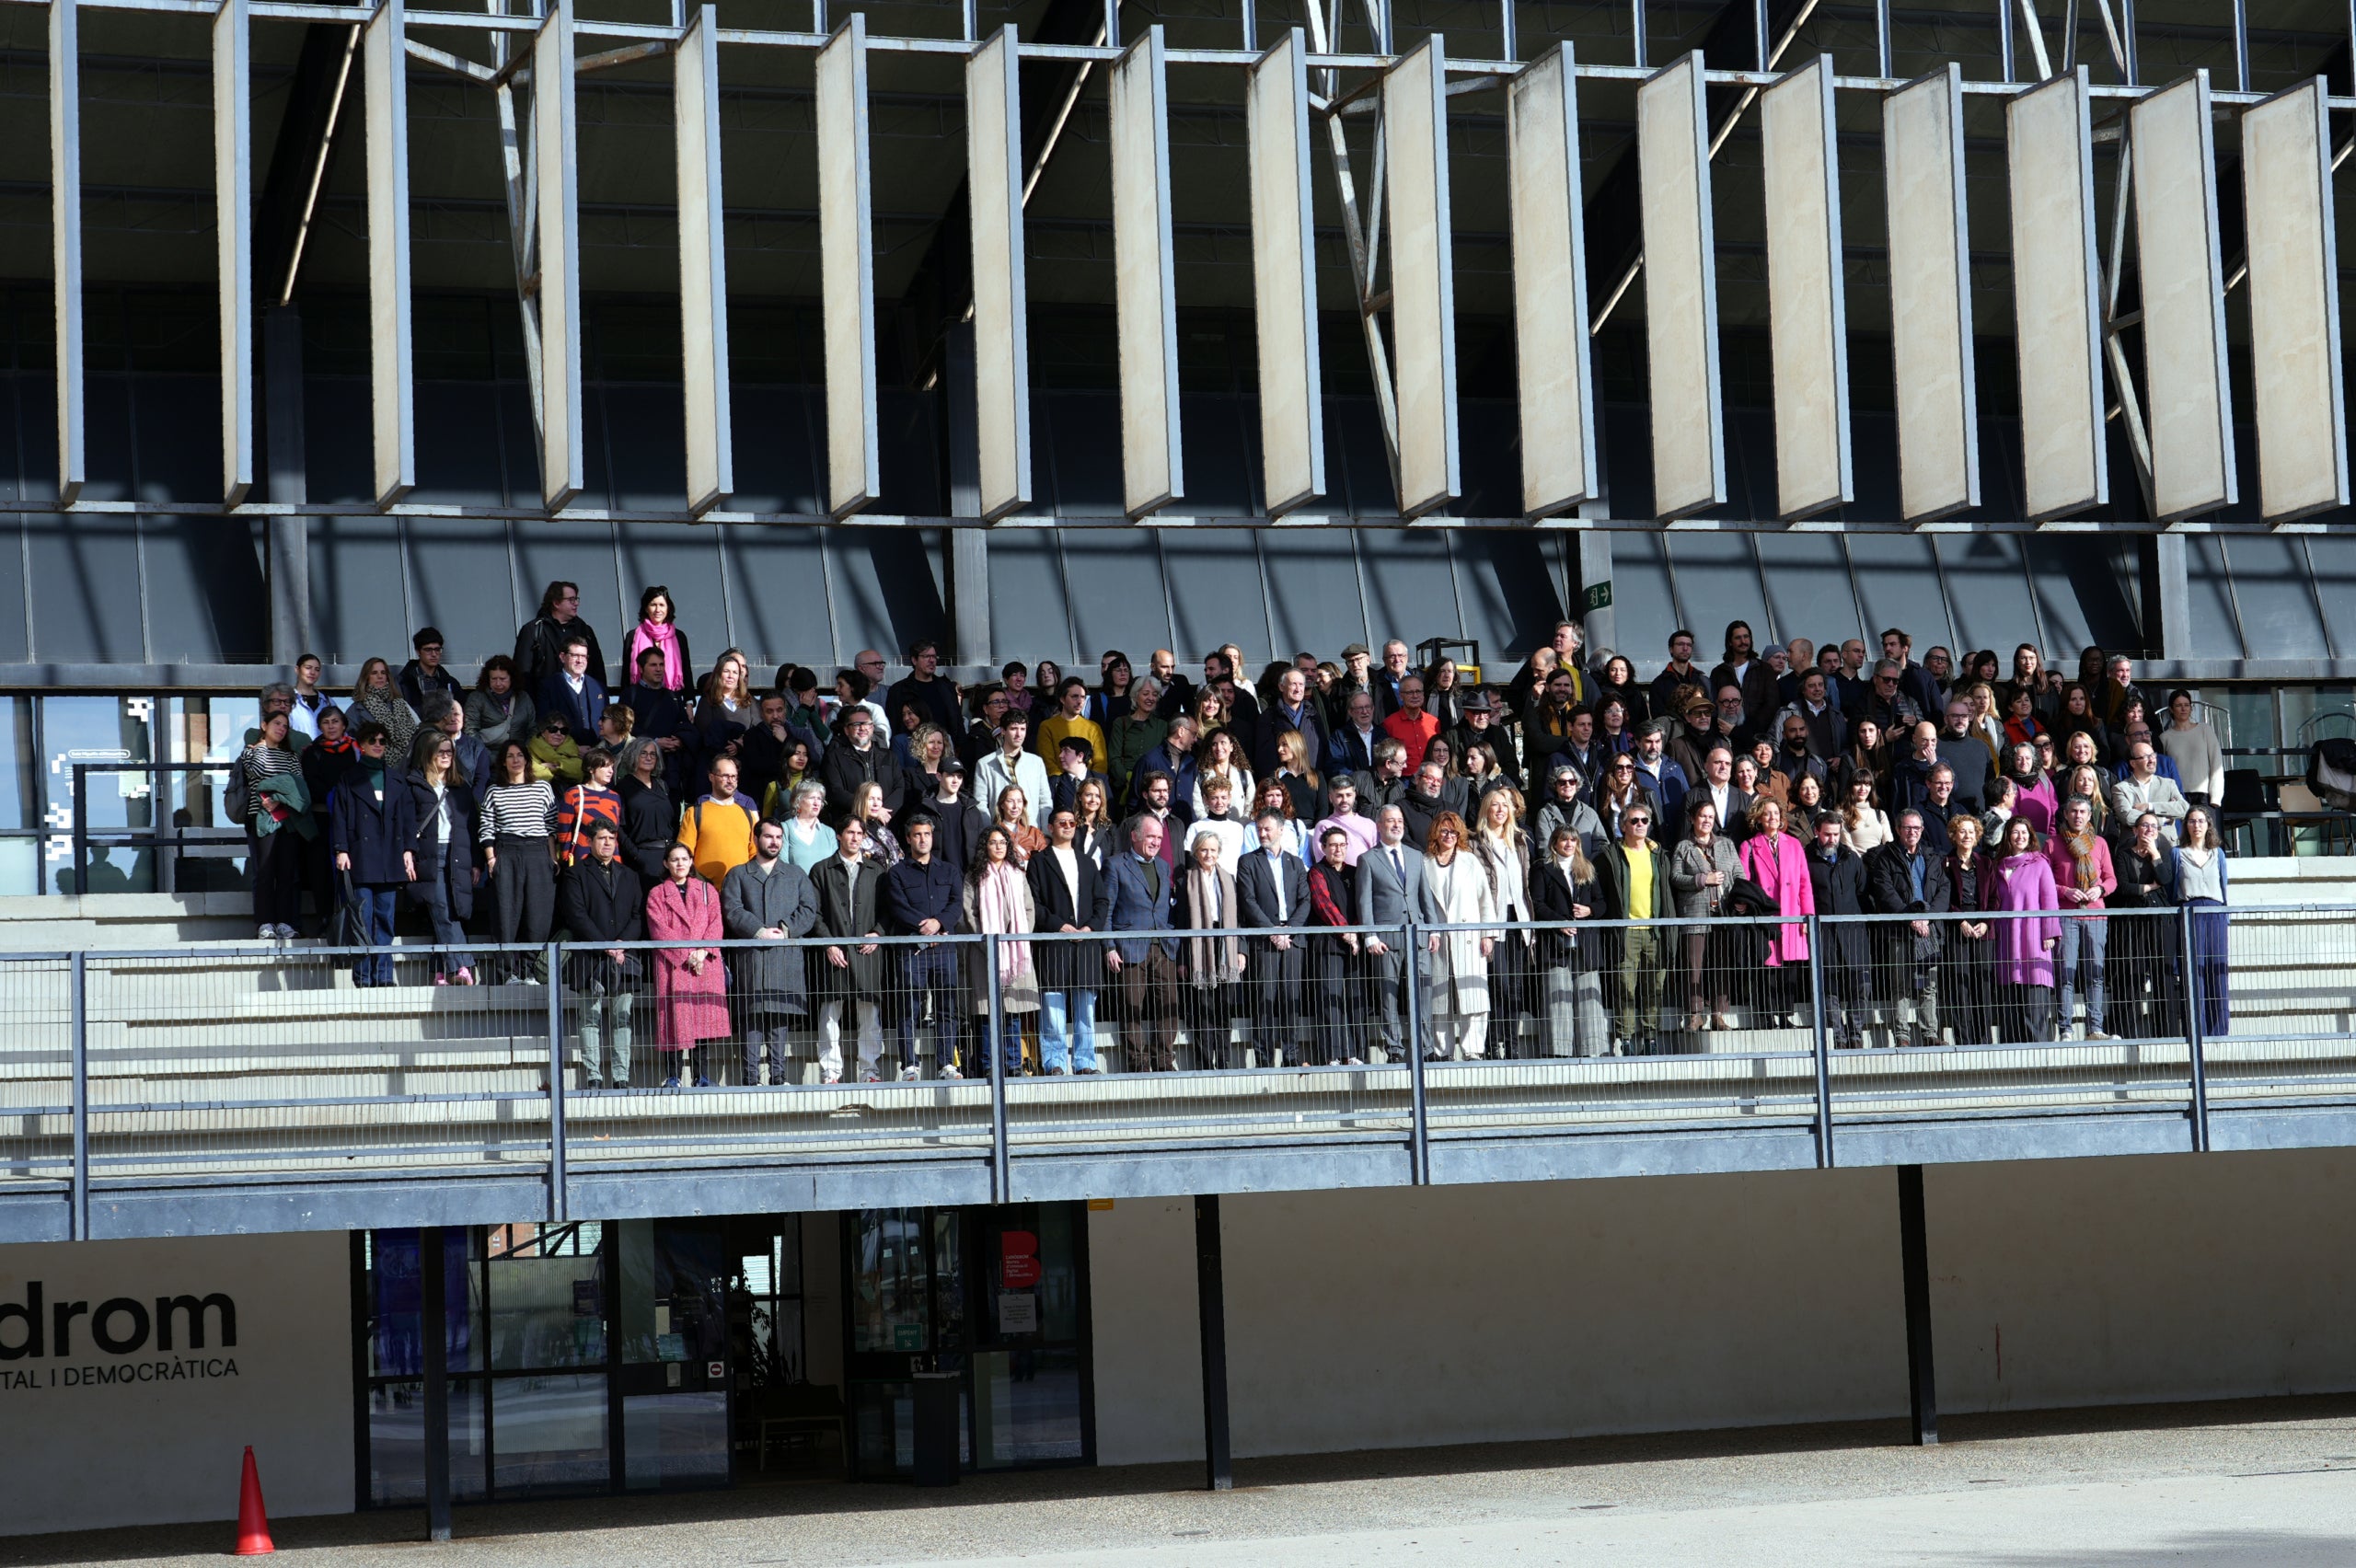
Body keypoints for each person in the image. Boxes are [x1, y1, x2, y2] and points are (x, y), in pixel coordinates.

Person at [719, 816, 820, 1088]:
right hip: (750, 955)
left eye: (778, 837)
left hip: (783, 955)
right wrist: (758, 930)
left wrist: (786, 929)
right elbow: (732, 910)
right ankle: (750, 1079)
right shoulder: (738, 874)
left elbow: (809, 909)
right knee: (751, 1019)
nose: (774, 842)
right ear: (755, 839)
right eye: (768, 836)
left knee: (778, 1018)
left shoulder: (796, 874)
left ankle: (779, 1078)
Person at [558, 821, 646, 1090]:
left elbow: (636, 916)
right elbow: (576, 915)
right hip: (590, 957)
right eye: (601, 838)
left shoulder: (629, 875)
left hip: (622, 958)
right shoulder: (575, 874)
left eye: (611, 838)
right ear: (590, 841)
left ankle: (621, 1077)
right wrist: (605, 944)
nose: (607, 843)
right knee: (590, 1018)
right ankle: (593, 1076)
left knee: (622, 1018)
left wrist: (621, 944)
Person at [884, 812, 966, 1080]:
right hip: (912, 949)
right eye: (917, 834)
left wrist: (939, 923)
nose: (923, 839)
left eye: (927, 834)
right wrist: (925, 926)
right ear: (908, 839)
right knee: (909, 1007)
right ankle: (909, 1065)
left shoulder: (950, 870)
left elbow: (956, 904)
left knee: (947, 1007)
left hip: (944, 949)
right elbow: (897, 906)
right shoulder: (896, 873)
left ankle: (946, 1065)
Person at [1029, 805, 1109, 1074]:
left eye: (1072, 823)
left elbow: (1101, 901)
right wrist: (1058, 925)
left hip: (1085, 943)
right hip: (1054, 941)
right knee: (1053, 1006)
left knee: (1086, 1007)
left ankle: (1085, 1063)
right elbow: (1034, 904)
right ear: (1050, 828)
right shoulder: (1039, 861)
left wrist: (1090, 928)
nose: (1067, 826)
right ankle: (1055, 1062)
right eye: (1061, 822)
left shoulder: (1087, 862)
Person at [1356, 806, 1438, 1063]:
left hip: (1418, 936)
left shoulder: (1416, 856)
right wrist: (1370, 935)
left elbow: (1425, 896)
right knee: (1389, 996)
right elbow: (1364, 901)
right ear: (1379, 826)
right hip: (1386, 939)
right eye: (1391, 821)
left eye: (1400, 820)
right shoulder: (1368, 859)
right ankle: (1395, 1050)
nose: (1396, 825)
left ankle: (1426, 1048)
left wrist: (1432, 929)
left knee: (1423, 994)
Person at [644, 840, 729, 1087]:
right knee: (673, 1021)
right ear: (666, 864)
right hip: (674, 965)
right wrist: (687, 954)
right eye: (674, 859)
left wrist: (702, 952)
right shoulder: (657, 894)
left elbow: (716, 923)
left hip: (704, 964)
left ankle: (700, 1076)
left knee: (701, 1023)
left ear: (691, 861)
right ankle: (673, 1076)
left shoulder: (706, 890)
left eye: (684, 859)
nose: (680, 863)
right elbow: (658, 929)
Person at [1865, 808, 1951, 1049]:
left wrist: (1928, 919)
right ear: (1898, 830)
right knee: (1900, 984)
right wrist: (1910, 918)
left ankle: (1930, 1033)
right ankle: (1902, 1035)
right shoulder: (1885, 858)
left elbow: (1944, 891)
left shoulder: (1933, 857)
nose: (1912, 832)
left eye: (1916, 828)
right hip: (1900, 930)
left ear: (1922, 830)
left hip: (1929, 930)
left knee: (1929, 985)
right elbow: (1885, 893)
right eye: (1907, 828)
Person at [811, 817, 889, 1084]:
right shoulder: (821, 870)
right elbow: (815, 913)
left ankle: (870, 1070)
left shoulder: (876, 870)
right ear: (839, 836)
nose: (855, 838)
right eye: (849, 832)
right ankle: (831, 1073)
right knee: (830, 1013)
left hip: (868, 951)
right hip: (834, 951)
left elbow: (887, 911)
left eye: (859, 833)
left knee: (869, 1013)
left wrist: (878, 933)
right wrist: (827, 943)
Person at [1103, 814, 1183, 1073]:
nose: (1156, 842)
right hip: (1129, 947)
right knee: (1132, 1006)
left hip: (1163, 945)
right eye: (1151, 836)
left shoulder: (1163, 866)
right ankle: (1138, 1062)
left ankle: (1163, 1060)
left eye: (1159, 837)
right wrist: (1110, 946)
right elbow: (1107, 910)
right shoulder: (1115, 865)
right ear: (1135, 836)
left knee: (1168, 1005)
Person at [399, 729, 479, 985]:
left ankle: (440, 972)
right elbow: (407, 823)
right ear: (428, 754)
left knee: (451, 910)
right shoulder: (414, 784)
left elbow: (472, 825)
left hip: (457, 854)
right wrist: (408, 852)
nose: (446, 756)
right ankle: (463, 966)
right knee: (442, 909)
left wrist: (476, 861)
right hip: (429, 854)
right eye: (440, 751)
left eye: (449, 751)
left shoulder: (460, 786)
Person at [478, 740, 559, 984]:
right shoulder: (494, 790)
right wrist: (491, 859)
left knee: (538, 915)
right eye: (510, 756)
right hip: (506, 852)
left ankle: (531, 971)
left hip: (538, 851)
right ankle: (506, 974)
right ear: (503, 761)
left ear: (527, 759)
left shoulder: (543, 788)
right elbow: (486, 828)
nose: (516, 760)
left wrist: (552, 858)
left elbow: (551, 827)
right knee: (506, 915)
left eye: (520, 755)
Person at [964, 825, 1040, 1077]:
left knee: (1013, 1012)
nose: (998, 847)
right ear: (985, 846)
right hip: (984, 951)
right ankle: (988, 1065)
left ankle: (1014, 1063)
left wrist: (1017, 939)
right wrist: (989, 943)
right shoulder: (974, 876)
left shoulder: (1018, 874)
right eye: (993, 842)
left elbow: (1029, 910)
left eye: (1002, 842)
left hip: (1015, 952)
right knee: (986, 1014)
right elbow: (969, 913)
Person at [1594, 801, 1669, 1055]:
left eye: (1644, 821)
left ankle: (1650, 1038)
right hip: (1626, 932)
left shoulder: (1658, 854)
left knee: (1654, 987)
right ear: (1623, 825)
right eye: (1634, 821)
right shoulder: (1612, 855)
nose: (1640, 825)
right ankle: (1625, 1038)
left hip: (1653, 931)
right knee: (1625, 986)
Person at [1237, 811, 1311, 1065]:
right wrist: (1272, 931)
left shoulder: (1295, 863)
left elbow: (1305, 901)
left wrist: (1288, 930)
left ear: (1281, 830)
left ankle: (1291, 1056)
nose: (1262, 833)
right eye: (1259, 829)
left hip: (1292, 939)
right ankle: (1264, 1059)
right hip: (1264, 938)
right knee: (1264, 998)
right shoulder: (1248, 862)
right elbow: (1248, 901)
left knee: (1291, 998)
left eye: (1267, 829)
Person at [1421, 812, 1497, 1060]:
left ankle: (1473, 1049)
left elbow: (1485, 900)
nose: (1449, 836)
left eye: (1454, 832)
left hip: (1468, 938)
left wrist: (1488, 934)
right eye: (1444, 831)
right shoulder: (1424, 863)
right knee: (1440, 998)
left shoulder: (1470, 861)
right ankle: (1442, 1051)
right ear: (1435, 833)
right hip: (1438, 940)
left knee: (1472, 995)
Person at [1173, 830, 1247, 1068]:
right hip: (1199, 949)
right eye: (1204, 849)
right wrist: (1183, 959)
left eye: (1213, 850)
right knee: (1203, 1008)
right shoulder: (1187, 881)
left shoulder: (1228, 879)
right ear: (1196, 851)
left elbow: (1238, 918)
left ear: (1219, 852)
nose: (1209, 854)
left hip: (1225, 945)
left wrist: (1240, 951)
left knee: (1223, 1008)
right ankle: (1205, 1063)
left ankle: (1224, 1061)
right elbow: (1181, 921)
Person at [2047, 793, 2118, 1041]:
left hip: (2096, 915)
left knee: (2095, 974)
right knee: (2066, 974)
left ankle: (2094, 1028)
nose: (2078, 816)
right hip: (2066, 915)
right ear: (2066, 814)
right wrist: (2066, 891)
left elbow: (2111, 879)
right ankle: (2065, 1029)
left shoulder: (2100, 844)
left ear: (2090, 816)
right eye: (2073, 811)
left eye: (2083, 812)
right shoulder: (2053, 844)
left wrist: (2099, 889)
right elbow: (2045, 884)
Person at [1669, 796, 1740, 1035]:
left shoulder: (1727, 845)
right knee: (1694, 967)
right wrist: (1703, 880)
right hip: (1695, 914)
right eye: (1702, 816)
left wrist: (1741, 899)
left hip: (1722, 914)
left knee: (1721, 965)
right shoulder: (1683, 847)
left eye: (1711, 817)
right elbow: (1675, 878)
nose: (1707, 821)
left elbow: (1739, 873)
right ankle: (1695, 1015)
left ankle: (1719, 1014)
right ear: (1692, 819)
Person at [239, 708, 311, 941]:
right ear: (264, 726)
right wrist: (282, 783)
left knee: (287, 873)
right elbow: (259, 771)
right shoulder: (251, 753)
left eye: (285, 726)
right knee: (265, 872)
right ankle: (265, 923)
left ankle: (285, 922)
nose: (281, 729)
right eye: (277, 724)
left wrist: (278, 796)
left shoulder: (291, 756)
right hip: (260, 820)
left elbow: (298, 788)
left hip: (287, 821)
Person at [1740, 798, 1814, 1025]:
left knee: (1788, 969)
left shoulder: (1793, 844)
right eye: (1767, 814)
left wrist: (1808, 916)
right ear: (1759, 819)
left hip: (1792, 913)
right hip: (1765, 915)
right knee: (1766, 968)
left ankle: (1784, 1015)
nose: (1772, 817)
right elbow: (1744, 882)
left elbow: (1804, 882)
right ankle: (1765, 1016)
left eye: (1775, 813)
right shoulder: (1749, 845)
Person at [2110, 811, 2181, 1041]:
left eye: (2154, 826)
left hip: (2160, 919)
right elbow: (2122, 887)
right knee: (2131, 975)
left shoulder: (2163, 852)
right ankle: (2126, 1034)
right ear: (2134, 830)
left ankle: (2167, 1034)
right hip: (2132, 920)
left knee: (2164, 976)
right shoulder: (2123, 854)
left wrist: (2154, 855)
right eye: (2145, 826)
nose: (2150, 830)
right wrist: (2149, 887)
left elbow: (2166, 879)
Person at [1805, 810, 1872, 1049]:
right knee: (1829, 985)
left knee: (1860, 983)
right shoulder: (1806, 858)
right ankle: (1839, 1036)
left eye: (1836, 834)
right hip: (1823, 931)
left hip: (1853, 930)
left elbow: (1863, 892)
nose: (1832, 839)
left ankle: (1856, 1033)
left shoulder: (1850, 858)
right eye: (1827, 835)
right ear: (1816, 832)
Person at [1991, 816, 2062, 1042]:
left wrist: (2050, 932)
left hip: (2033, 941)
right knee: (2009, 1007)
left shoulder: (2039, 863)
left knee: (2034, 1003)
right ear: (2007, 836)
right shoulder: (1997, 865)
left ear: (2031, 836)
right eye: (2015, 832)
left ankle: (2038, 1059)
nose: (2020, 837)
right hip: (2006, 941)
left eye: (2024, 832)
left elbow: (2050, 899)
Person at [1303, 826, 1364, 1064]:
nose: (1338, 849)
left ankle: (1355, 1053)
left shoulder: (1355, 872)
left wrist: (1356, 932)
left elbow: (1362, 902)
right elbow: (1322, 903)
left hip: (1354, 944)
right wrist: (1346, 932)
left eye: (1342, 845)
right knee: (1330, 997)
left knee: (1354, 998)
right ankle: (1332, 1054)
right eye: (1333, 845)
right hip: (1329, 943)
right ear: (1323, 847)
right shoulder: (1317, 872)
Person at [1940, 813, 1998, 1046]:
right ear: (1954, 835)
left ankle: (1983, 1039)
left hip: (1983, 926)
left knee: (1982, 982)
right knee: (1959, 983)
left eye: (1971, 832)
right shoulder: (1945, 863)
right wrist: (1960, 921)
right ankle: (1963, 1040)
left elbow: (1994, 898)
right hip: (1958, 926)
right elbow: (1944, 897)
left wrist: (1985, 922)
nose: (1967, 836)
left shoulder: (1986, 863)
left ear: (1977, 837)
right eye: (1962, 831)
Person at [2177, 806, 2230, 1038]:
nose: (2196, 825)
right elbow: (2173, 890)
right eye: (2191, 821)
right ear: (2186, 825)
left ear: (2208, 825)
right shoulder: (2177, 853)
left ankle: (2219, 1033)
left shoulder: (2218, 853)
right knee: (2193, 972)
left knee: (2217, 972)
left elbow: (2224, 886)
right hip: (2190, 911)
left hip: (2216, 912)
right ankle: (2197, 1032)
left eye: (2200, 821)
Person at [677, 755, 760, 888]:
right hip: (704, 891)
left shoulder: (748, 814)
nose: (730, 781)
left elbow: (755, 855)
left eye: (734, 776)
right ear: (711, 777)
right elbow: (684, 855)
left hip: (740, 891)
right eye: (725, 776)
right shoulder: (694, 813)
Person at [515, 580, 609, 692]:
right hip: (545, 700)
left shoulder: (585, 630)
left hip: (580, 700)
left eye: (576, 599)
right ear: (556, 603)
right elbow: (522, 672)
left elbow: (598, 669)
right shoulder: (533, 630)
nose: (576, 603)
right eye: (571, 600)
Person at [819, 703, 904, 828]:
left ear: (873, 728)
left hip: (886, 822)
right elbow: (835, 791)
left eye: (867, 724)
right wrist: (869, 809)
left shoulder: (889, 756)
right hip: (851, 826)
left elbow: (899, 788)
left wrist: (883, 812)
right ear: (846, 730)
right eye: (857, 724)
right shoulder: (835, 757)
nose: (863, 728)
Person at [976, 709, 1053, 829]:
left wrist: (1046, 835)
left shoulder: (1036, 762)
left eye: (1023, 729)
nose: (1019, 734)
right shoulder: (985, 764)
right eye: (1013, 729)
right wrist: (989, 833)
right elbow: (980, 804)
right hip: (999, 835)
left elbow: (1045, 802)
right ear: (1003, 730)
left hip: (1031, 833)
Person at [2111, 740, 2190, 844]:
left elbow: (2184, 809)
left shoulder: (2168, 784)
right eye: (2145, 757)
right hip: (2135, 848)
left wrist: (2150, 806)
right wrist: (2163, 819)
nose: (2152, 760)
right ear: (2133, 763)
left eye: (2153, 755)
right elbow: (2128, 817)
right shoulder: (2121, 788)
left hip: (2166, 844)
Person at [537, 633, 609, 747]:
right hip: (563, 754)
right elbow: (545, 724)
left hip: (597, 752)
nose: (580, 661)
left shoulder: (598, 687)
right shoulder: (548, 687)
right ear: (562, 657)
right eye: (575, 655)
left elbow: (606, 722)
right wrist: (574, 749)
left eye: (583, 656)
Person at [622, 584, 694, 695]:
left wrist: (689, 701)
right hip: (641, 698)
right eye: (653, 605)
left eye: (662, 605)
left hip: (672, 699)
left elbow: (686, 671)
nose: (658, 610)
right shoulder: (633, 636)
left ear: (668, 608)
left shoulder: (679, 636)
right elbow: (626, 674)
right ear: (646, 608)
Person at [2160, 690, 2225, 806]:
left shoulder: (2205, 730)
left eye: (2186, 705)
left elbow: (2217, 763)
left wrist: (2215, 796)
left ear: (2191, 707)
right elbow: (2163, 771)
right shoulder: (2165, 738)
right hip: (2177, 797)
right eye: (2178, 705)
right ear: (2171, 709)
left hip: (2204, 796)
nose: (2183, 709)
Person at [887, 639, 963, 735]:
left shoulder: (947, 688)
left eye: (934, 657)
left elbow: (958, 722)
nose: (932, 660)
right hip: (912, 746)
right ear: (914, 660)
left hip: (945, 746)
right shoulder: (898, 690)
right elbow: (894, 726)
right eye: (926, 656)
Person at [352, 656, 419, 757]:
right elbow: (353, 745)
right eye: (374, 673)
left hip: (409, 764)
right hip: (376, 767)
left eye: (383, 673)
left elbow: (418, 731)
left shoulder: (401, 704)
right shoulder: (356, 710)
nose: (380, 676)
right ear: (366, 677)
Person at [398, 628, 464, 715]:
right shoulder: (402, 682)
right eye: (428, 650)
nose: (434, 654)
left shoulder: (451, 683)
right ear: (418, 651)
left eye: (437, 649)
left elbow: (460, 713)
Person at [287, 652, 338, 742]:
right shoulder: (286, 701)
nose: (312, 672)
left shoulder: (328, 702)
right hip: (297, 753)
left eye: (317, 669)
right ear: (297, 669)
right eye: (308, 668)